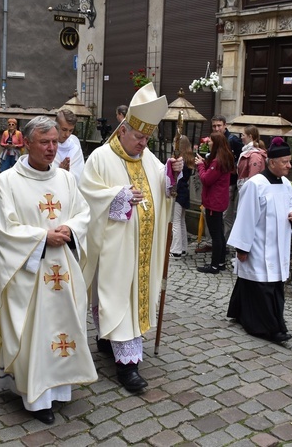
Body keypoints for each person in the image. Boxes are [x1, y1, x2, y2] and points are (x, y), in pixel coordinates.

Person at [0, 115, 97, 424]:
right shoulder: (7, 182)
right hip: (27, 273)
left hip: (62, 269)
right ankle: (35, 397)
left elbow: (83, 213)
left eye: (55, 143)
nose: (52, 149)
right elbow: (2, 230)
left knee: (62, 328)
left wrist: (71, 228)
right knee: (35, 332)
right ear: (28, 144)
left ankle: (59, 389)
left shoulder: (66, 180)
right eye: (45, 143)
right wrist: (42, 237)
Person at [80, 82, 183, 393]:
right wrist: (117, 198)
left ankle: (111, 343)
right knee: (116, 299)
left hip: (143, 250)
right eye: (139, 136)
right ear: (122, 129)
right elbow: (87, 197)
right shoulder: (100, 158)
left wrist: (172, 174)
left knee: (130, 300)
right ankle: (128, 368)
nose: (143, 143)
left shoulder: (148, 158)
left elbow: (164, 190)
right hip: (114, 249)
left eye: (147, 137)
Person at [226, 137, 292, 343]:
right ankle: (270, 328)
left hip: (279, 245)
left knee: (270, 284)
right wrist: (242, 247)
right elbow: (245, 217)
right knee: (261, 285)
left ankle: (240, 312)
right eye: (285, 162)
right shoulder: (255, 185)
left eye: (289, 161)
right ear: (272, 162)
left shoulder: (286, 184)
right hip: (259, 245)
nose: (289, 166)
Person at [195, 132, 235, 274]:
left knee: (216, 235)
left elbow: (206, 179)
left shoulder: (217, 161)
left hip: (213, 202)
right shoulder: (224, 158)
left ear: (216, 143)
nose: (208, 143)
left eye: (210, 141)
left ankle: (214, 266)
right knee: (219, 233)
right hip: (219, 200)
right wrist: (205, 163)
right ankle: (221, 262)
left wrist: (200, 166)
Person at [170, 135, 194, 258]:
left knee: (176, 221)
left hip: (179, 192)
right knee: (182, 220)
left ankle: (176, 250)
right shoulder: (189, 158)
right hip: (185, 192)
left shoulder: (180, 160)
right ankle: (183, 248)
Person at [52, 109, 85, 184]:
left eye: (71, 130)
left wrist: (65, 174)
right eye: (64, 129)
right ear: (56, 126)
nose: (67, 134)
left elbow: (80, 173)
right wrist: (60, 172)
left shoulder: (75, 143)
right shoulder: (47, 144)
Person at [236, 125, 267, 190]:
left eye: (243, 135)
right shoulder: (248, 152)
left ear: (250, 136)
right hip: (244, 188)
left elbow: (253, 177)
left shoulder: (254, 155)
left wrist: (249, 191)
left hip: (248, 190)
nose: (241, 137)